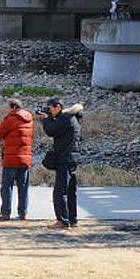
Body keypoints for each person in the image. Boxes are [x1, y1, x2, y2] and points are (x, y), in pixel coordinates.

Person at [39, 98, 83, 229]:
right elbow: (58, 130)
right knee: (70, 191)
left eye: (50, 108)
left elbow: (51, 131)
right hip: (72, 158)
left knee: (60, 192)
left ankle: (62, 221)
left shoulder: (65, 118)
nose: (49, 110)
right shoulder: (73, 118)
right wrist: (50, 118)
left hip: (65, 159)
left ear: (57, 107)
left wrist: (45, 120)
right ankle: (72, 219)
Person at [0, 99, 34, 221]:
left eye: (9, 108)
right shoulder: (29, 119)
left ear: (14, 107)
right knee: (23, 187)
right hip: (25, 158)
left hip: (11, 157)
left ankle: (5, 212)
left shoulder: (11, 118)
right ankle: (23, 212)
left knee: (6, 187)